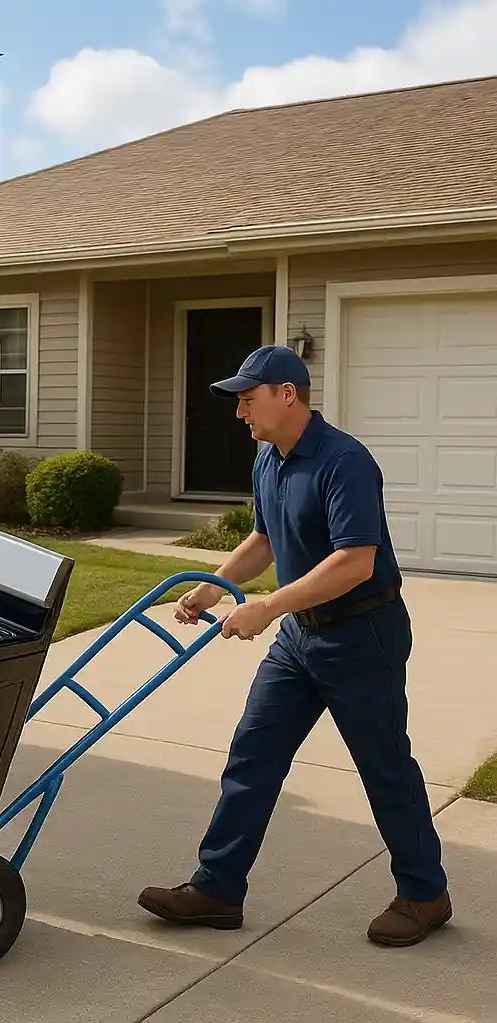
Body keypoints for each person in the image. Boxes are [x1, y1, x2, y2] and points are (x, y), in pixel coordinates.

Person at [137, 344, 451, 948]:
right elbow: (263, 539)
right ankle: (218, 888)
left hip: (363, 635)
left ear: (288, 394)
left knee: (385, 769)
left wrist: (266, 607)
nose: (240, 414)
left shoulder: (344, 461)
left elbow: (355, 562)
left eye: (247, 400)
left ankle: (425, 893)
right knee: (252, 755)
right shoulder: (269, 461)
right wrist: (213, 589)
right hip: (300, 641)